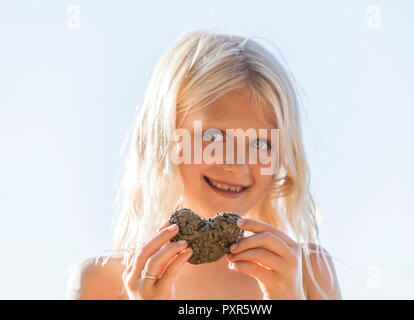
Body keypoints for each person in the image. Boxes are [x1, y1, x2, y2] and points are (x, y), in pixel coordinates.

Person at [66, 29, 342, 300]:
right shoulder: (102, 283)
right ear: (166, 137)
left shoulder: (309, 275)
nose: (237, 164)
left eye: (260, 143)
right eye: (213, 137)